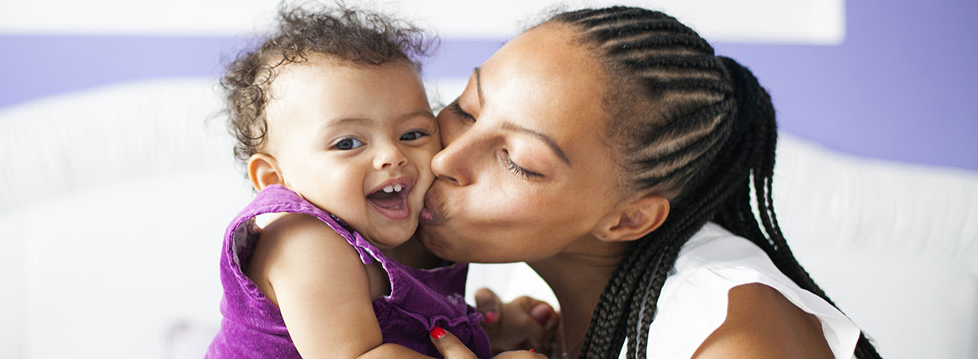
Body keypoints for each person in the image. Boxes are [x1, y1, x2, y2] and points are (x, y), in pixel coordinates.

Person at [419, 6, 882, 359]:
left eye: (517, 161)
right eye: (465, 108)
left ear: (629, 219)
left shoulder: (731, 337)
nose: (444, 158)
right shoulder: (571, 306)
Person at [205, 4, 542, 358]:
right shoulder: (302, 240)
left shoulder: (421, 227)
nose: (391, 155)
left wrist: (487, 333)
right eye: (348, 143)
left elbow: (416, 329)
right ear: (276, 179)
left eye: (412, 134)